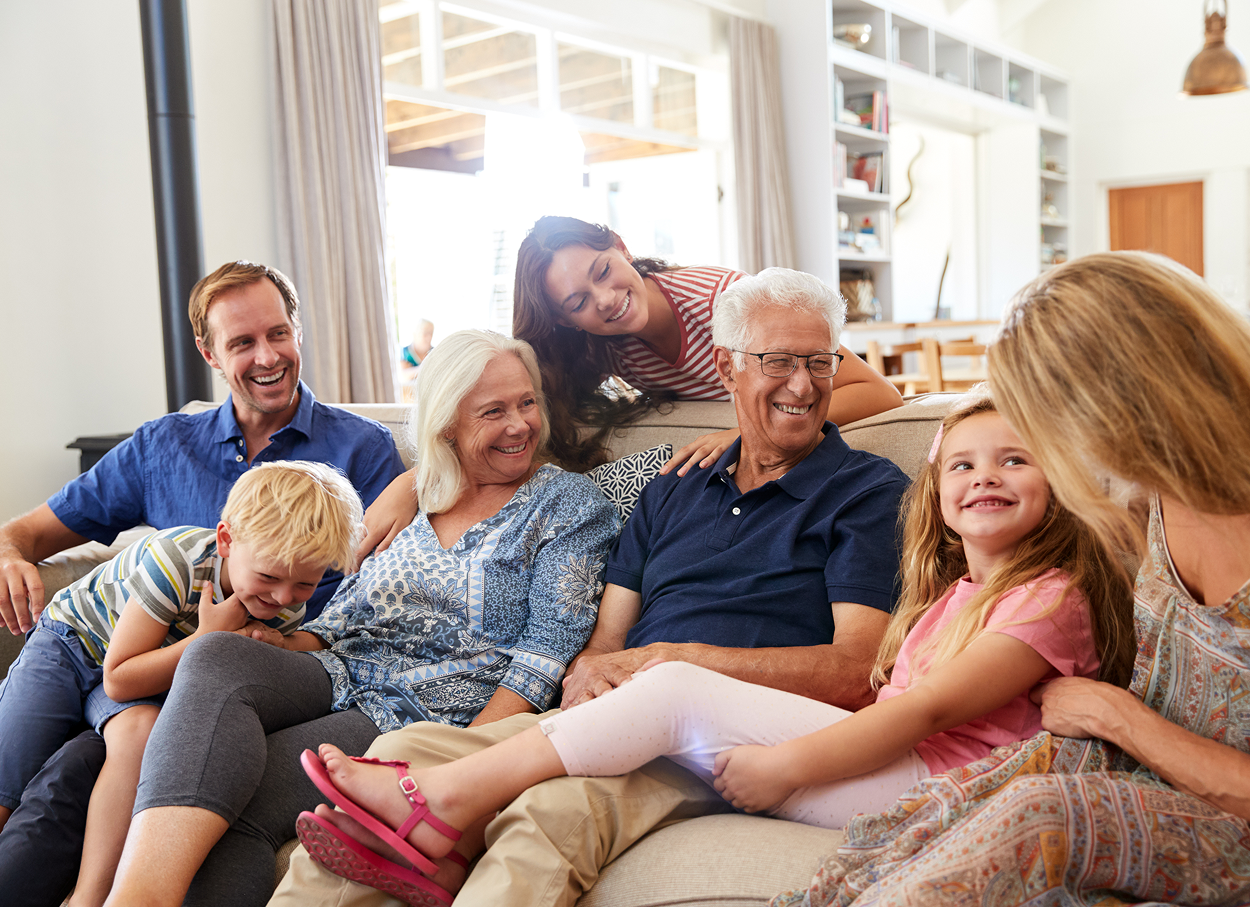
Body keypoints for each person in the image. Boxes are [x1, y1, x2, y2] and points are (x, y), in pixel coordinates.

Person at [291, 393, 1136, 905]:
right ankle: (426, 796)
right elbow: (590, 554)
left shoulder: (1036, 590)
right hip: (824, 743)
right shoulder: (950, 590)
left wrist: (788, 764)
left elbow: (911, 707)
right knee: (402, 744)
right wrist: (416, 477)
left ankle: (438, 802)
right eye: (962, 466)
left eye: (1014, 460)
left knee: (668, 698)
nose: (983, 477)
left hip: (916, 777)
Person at [269, 267, 911, 907]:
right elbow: (605, 639)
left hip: (723, 738)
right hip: (622, 714)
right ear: (727, 367)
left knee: (552, 808)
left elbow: (856, 671)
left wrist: (674, 661)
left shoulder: (865, 490)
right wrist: (589, 681)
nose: (802, 383)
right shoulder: (677, 485)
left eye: (819, 362)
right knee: (400, 754)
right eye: (777, 361)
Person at [770, 251, 1250, 907]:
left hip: (1224, 815)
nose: (1060, 452)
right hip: (1141, 770)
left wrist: (1120, 717)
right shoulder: (1150, 500)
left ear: (1126, 398)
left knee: (1036, 812)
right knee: (952, 800)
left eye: (1050, 424)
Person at [100, 331, 619, 907]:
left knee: (242, 805)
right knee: (213, 653)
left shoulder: (569, 506)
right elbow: (347, 609)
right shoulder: (424, 492)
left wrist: (468, 757)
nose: (520, 424)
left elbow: (546, 651)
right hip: (340, 667)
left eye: (527, 403)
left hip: (421, 707)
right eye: (493, 411)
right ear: (447, 423)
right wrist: (277, 643)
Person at [0, 260, 404, 907]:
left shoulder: (363, 452)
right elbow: (32, 532)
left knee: (83, 767)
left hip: (184, 691)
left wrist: (421, 479)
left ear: (298, 331)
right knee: (10, 776)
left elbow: (382, 597)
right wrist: (10, 551)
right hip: (88, 642)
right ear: (209, 351)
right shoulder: (164, 445)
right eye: (242, 341)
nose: (267, 355)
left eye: (278, 333)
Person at [356, 217, 905, 557]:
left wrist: (735, 432)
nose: (605, 299)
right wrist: (418, 480)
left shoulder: (721, 301)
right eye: (577, 303)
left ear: (620, 245)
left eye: (602, 270)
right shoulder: (603, 342)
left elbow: (878, 392)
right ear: (568, 321)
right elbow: (502, 412)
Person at [0, 461, 363, 907]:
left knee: (139, 734)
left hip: (149, 672)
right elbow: (118, 677)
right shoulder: (177, 562)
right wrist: (206, 639)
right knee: (10, 770)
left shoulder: (280, 606)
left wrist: (274, 643)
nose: (284, 598)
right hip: (76, 643)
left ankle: (90, 897)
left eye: (305, 584)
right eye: (269, 576)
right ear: (227, 540)